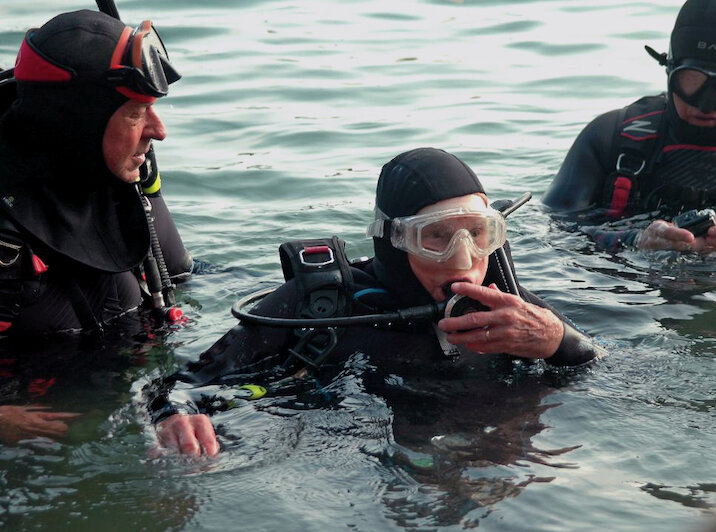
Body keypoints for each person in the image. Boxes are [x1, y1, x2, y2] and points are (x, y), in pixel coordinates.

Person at [149, 147, 605, 457]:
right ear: (394, 241)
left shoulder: (511, 307)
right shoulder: (322, 304)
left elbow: (602, 370)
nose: (464, 260)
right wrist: (177, 416)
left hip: (491, 456)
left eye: (480, 234)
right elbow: (181, 383)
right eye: (437, 238)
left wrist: (556, 339)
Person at [0, 10, 192, 442]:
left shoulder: (122, 184)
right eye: (136, 113)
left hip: (119, 387)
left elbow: (181, 289)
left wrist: (172, 400)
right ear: (76, 124)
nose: (159, 132)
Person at [541, 0, 716, 263]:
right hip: (633, 293)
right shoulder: (610, 138)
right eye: (692, 82)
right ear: (670, 69)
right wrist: (632, 240)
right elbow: (556, 230)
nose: (705, 104)